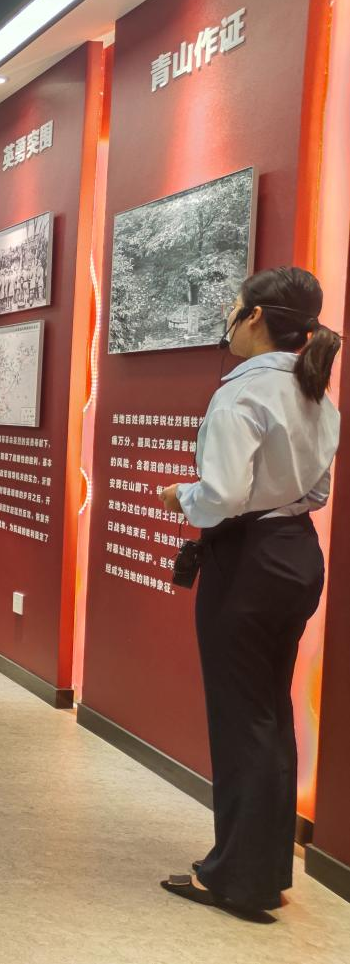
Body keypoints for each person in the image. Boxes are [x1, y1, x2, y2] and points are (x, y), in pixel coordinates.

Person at [159, 267, 342, 922]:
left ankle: (235, 877)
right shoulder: (316, 392)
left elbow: (221, 496)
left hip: (246, 561)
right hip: (296, 554)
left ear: (256, 317)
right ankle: (265, 871)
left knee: (240, 717)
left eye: (234, 308)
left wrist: (182, 496)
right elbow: (316, 491)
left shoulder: (241, 394)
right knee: (268, 710)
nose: (228, 319)